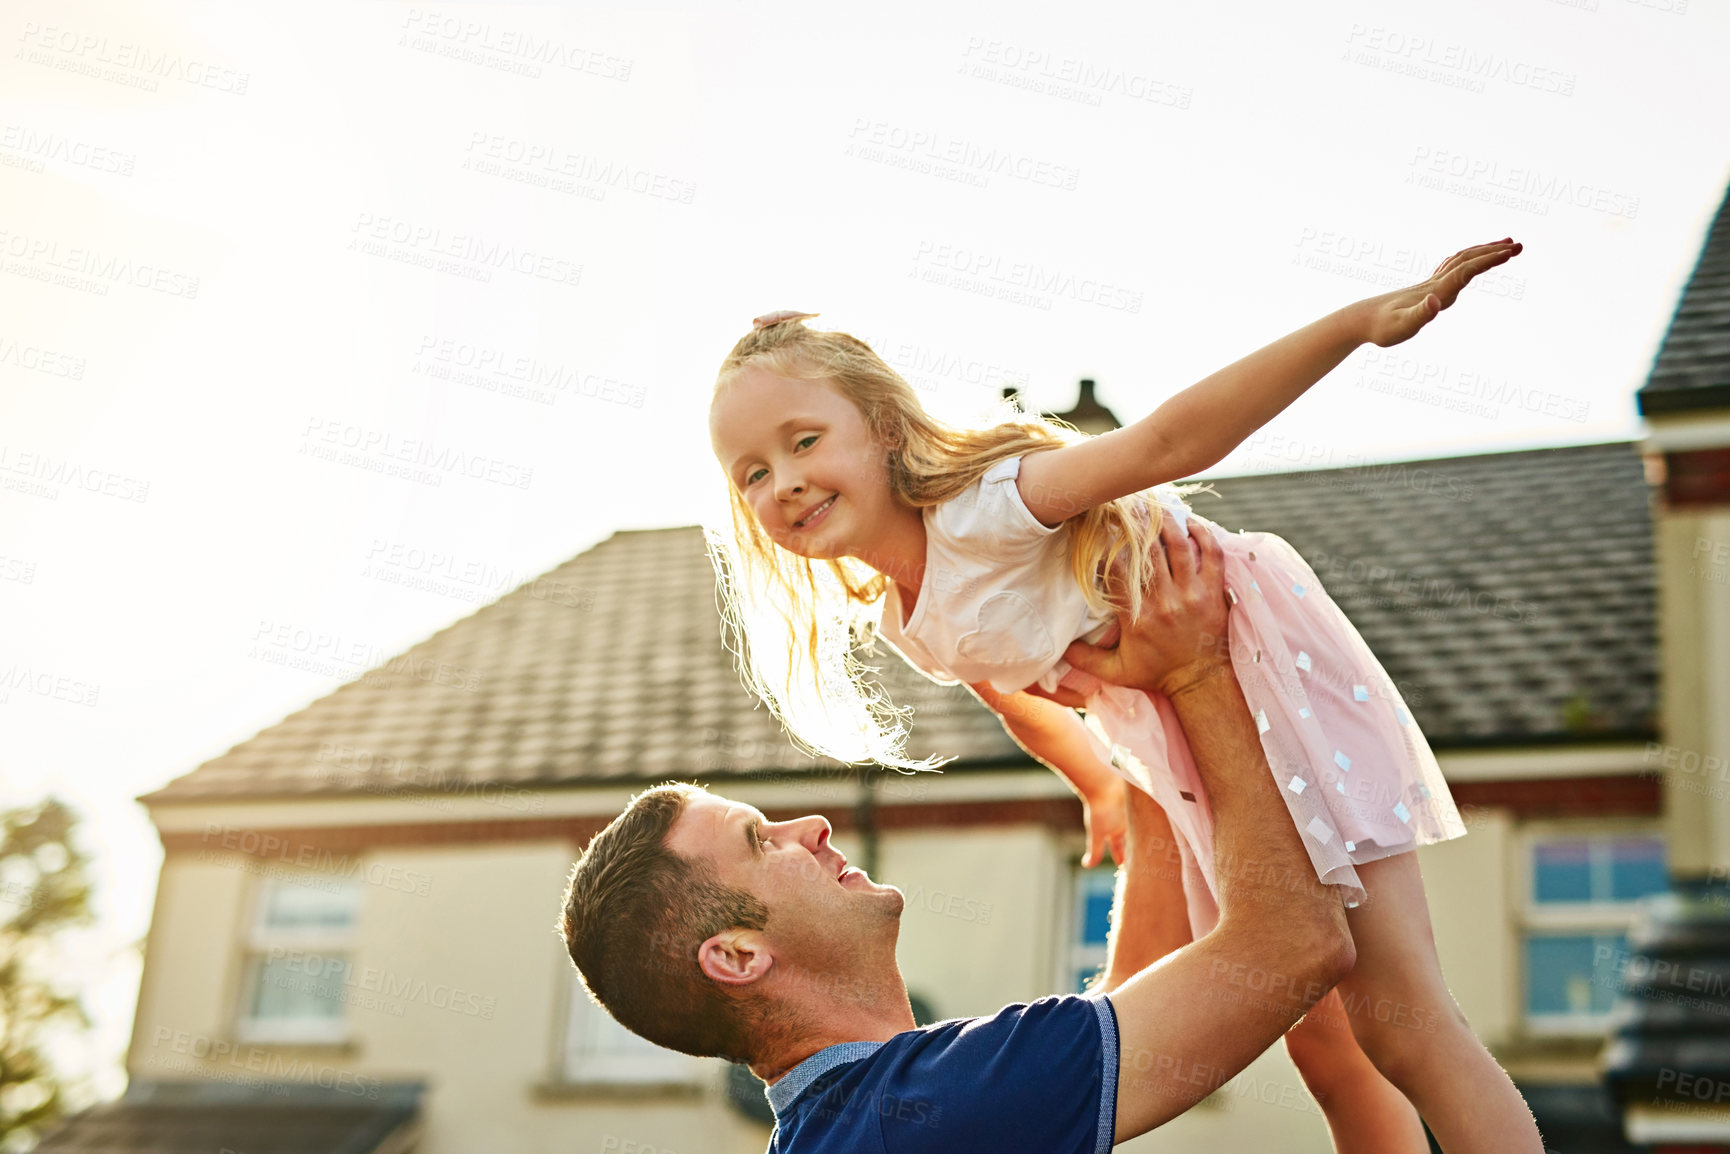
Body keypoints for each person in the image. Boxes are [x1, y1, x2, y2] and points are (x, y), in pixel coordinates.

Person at [705, 238, 1542, 1153]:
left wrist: (1356, 326)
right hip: (1179, 734)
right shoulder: (905, 613)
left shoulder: (990, 508)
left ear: (886, 429)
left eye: (804, 441)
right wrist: (1098, 782)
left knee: (1399, 1020)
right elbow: (1005, 691)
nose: (782, 481)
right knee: (1324, 1041)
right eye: (751, 473)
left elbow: (1168, 443)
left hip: (1256, 676)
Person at [561, 518, 1358, 1151]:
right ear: (736, 955)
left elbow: (1126, 1010)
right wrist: (1195, 673)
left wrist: (1136, 766)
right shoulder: (930, 1105)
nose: (810, 826)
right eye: (759, 842)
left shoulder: (879, 1116)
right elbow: (1294, 943)